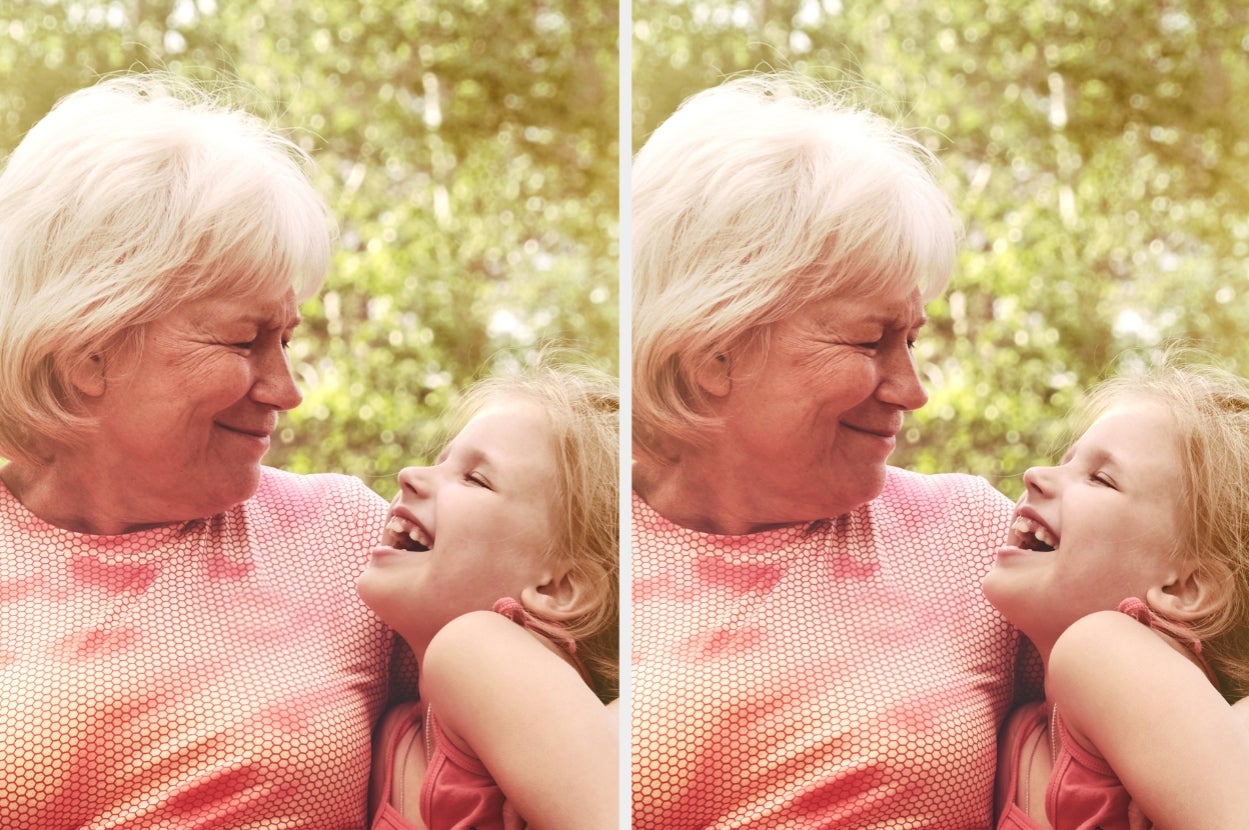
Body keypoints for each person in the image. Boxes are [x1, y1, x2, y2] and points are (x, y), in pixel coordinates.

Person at [0, 72, 414, 827]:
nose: (287, 389)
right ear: (86, 352)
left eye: (283, 339)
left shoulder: (352, 540)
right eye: (243, 340)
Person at [630, 72, 1035, 828]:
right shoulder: (577, 551)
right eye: (868, 340)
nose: (912, 390)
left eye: (909, 340)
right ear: (712, 351)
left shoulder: (977, 540)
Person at [984, 351, 1249, 828]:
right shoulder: (1020, 734)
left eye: (1101, 478)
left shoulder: (1099, 647)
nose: (1034, 476)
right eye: (1064, 461)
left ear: (1184, 588)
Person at [355, 358, 619, 830]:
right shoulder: (396, 738)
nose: (409, 474)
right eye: (442, 461)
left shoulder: (475, 647)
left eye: (476, 478)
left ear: (558, 588)